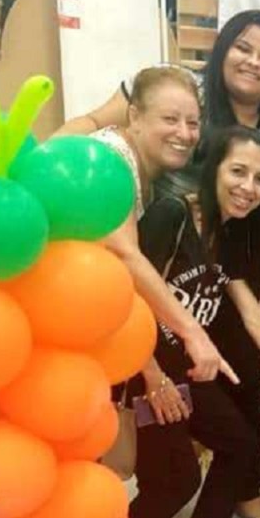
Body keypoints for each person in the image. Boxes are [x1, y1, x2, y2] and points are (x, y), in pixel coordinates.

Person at [126, 126, 260, 518]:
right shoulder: (172, 215)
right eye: (238, 171)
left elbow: (252, 313)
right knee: (174, 483)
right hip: (143, 373)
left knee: (240, 447)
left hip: (186, 376)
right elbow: (125, 300)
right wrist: (152, 377)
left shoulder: (230, 232)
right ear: (213, 169)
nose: (248, 188)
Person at [93, 66, 235, 385]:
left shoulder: (148, 173)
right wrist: (192, 333)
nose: (184, 134)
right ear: (135, 116)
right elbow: (124, 254)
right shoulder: (111, 158)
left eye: (193, 123)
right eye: (170, 119)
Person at [54, 10, 260, 198]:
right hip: (129, 218)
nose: (253, 62)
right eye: (243, 49)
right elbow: (94, 122)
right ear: (222, 51)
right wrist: (46, 161)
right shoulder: (176, 87)